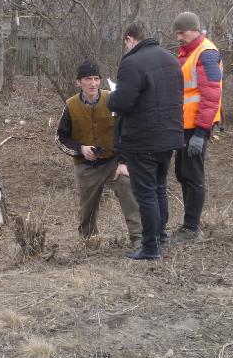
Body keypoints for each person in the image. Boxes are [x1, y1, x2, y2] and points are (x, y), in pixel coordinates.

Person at [107, 22, 184, 260]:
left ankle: (150, 247)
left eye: (125, 43)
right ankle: (160, 237)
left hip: (143, 139)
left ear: (130, 39)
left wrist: (111, 98)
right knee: (160, 188)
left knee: (146, 193)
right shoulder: (172, 60)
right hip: (170, 136)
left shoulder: (132, 63)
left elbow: (123, 102)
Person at [56, 60, 142, 248]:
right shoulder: (70, 105)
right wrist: (81, 149)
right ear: (79, 82)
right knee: (87, 208)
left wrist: (124, 161)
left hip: (113, 162)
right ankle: (89, 241)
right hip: (86, 166)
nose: (93, 84)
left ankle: (138, 238)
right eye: (88, 79)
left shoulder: (112, 99)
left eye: (96, 79)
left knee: (128, 188)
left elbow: (127, 131)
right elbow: (60, 138)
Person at [170, 12, 223, 244]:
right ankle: (188, 226)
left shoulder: (206, 53)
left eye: (181, 32)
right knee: (183, 173)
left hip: (196, 128)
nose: (178, 37)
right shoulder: (188, 53)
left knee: (193, 175)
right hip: (185, 126)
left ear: (193, 30)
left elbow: (212, 96)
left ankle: (192, 228)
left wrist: (201, 133)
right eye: (177, 33)